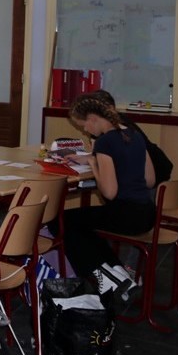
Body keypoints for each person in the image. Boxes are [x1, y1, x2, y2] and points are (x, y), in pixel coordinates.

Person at [50, 94, 153, 299]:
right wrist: (98, 160)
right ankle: (118, 274)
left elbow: (109, 192)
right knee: (82, 226)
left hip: (125, 214)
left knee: (59, 223)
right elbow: (150, 180)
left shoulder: (105, 142)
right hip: (147, 213)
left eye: (84, 126)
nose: (85, 131)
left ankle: (105, 277)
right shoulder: (134, 134)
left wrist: (95, 163)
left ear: (93, 118)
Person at [90, 88, 173, 186]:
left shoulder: (121, 130)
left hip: (154, 176)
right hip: (151, 176)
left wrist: (93, 163)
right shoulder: (115, 123)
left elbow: (115, 161)